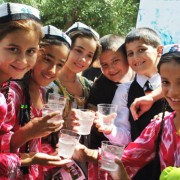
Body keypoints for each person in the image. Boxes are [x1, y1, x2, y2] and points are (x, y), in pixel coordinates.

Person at [72, 43, 180, 180]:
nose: (173, 91)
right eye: (165, 82)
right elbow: (129, 157)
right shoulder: (160, 125)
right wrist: (86, 154)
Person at [0, 3, 71, 179]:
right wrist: (29, 133)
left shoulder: (39, 91)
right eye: (13, 49)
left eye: (30, 51)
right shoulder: (12, 93)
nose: (23, 60)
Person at [95, 27, 168, 179]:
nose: (136, 57)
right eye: (130, 53)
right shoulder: (124, 91)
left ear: (159, 50)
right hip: (141, 170)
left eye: (141, 50)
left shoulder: (173, 82)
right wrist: (110, 130)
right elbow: (126, 136)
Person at [46, 21, 101, 177]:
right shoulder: (47, 84)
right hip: (52, 158)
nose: (82, 59)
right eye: (78, 51)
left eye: (89, 55)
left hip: (81, 159)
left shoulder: (89, 86)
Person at [86, 34, 134, 149]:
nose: (111, 69)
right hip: (104, 147)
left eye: (116, 61)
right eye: (104, 65)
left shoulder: (140, 79)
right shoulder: (100, 86)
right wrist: (91, 117)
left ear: (127, 57)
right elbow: (91, 111)